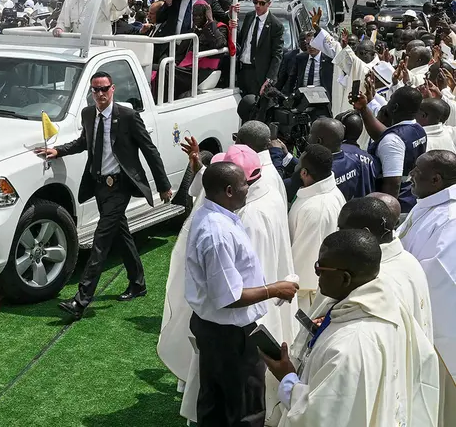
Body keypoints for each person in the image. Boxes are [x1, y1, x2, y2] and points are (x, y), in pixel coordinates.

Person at [261, 229, 440, 427]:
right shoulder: (390, 306)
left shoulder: (350, 344)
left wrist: (287, 378)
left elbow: (317, 418)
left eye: (320, 269)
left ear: (345, 278)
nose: (317, 276)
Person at [37, 71, 173, 321]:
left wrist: (163, 185)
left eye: (104, 89)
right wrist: (58, 150)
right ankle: (138, 283)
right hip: (100, 185)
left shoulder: (129, 116)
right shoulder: (89, 114)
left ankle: (81, 300)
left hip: (121, 186)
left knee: (100, 241)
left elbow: (149, 150)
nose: (99, 94)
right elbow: (83, 142)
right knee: (120, 233)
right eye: (95, 90)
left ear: (113, 89)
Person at [185, 161, 299, 427]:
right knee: (245, 409)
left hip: (216, 331)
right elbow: (229, 298)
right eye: (244, 184)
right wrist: (274, 289)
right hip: (229, 336)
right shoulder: (217, 234)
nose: (248, 188)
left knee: (216, 403)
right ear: (228, 190)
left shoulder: (215, 216)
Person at [399, 150, 456, 393]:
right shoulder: (429, 201)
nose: (410, 175)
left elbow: (439, 276)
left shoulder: (450, 219)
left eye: (417, 172)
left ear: (436, 180)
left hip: (431, 326)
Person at [339, 196, 433, 340]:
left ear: (366, 233)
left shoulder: (373, 278)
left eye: (342, 229)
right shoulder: (409, 260)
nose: (338, 235)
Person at [288, 143, 347, 314]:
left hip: (308, 296)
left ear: (304, 173)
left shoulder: (316, 209)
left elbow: (305, 261)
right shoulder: (330, 192)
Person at [357, 86, 428, 212]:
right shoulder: (418, 129)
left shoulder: (392, 140)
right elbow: (384, 134)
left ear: (394, 107)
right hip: (410, 197)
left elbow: (393, 183)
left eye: (390, 100)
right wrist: (363, 108)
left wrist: (385, 215)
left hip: (397, 205)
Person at [235, 0, 284, 96]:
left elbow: (277, 54)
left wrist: (269, 80)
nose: (258, 6)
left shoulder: (275, 25)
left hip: (258, 75)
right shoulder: (249, 16)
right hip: (242, 70)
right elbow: (241, 40)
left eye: (262, 3)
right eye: (255, 2)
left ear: (269, 4)